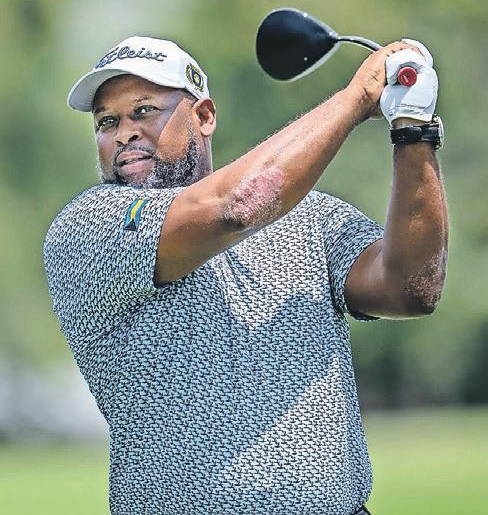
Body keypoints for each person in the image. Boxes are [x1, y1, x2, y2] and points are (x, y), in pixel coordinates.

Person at [43, 35, 448, 515]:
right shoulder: (89, 226)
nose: (124, 133)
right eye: (107, 122)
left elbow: (410, 289)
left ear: (204, 116)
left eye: (144, 111)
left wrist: (413, 131)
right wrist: (359, 96)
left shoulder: (310, 217)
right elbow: (236, 206)